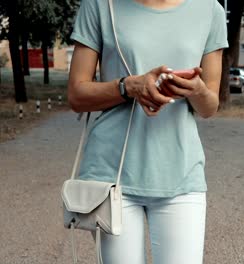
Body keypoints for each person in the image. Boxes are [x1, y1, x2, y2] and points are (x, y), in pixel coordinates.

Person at [67, 0, 228, 263]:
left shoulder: (210, 9)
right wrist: (129, 86)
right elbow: (76, 94)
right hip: (111, 175)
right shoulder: (99, 5)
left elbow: (209, 107)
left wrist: (196, 90)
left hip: (181, 173)